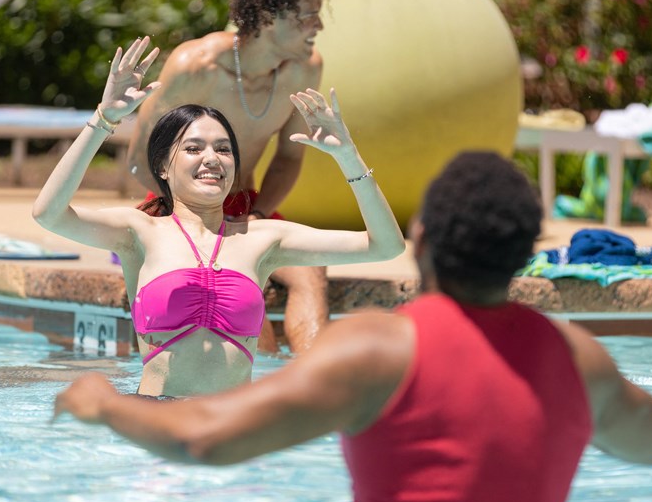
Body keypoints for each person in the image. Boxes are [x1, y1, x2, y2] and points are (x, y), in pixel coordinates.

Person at [54, 151, 652, 502]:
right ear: (524, 252)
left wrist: (106, 405)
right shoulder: (577, 358)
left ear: (422, 241)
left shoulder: (381, 349)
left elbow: (205, 441)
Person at [34, 37, 404, 397]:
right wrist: (103, 119)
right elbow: (49, 214)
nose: (212, 158)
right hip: (159, 423)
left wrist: (348, 158)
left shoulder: (262, 238)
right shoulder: (139, 232)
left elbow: (385, 245)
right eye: (194, 148)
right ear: (163, 166)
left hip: (234, 432)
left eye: (223, 149)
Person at [127, 0, 329, 354]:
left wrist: (260, 212)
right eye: (308, 17)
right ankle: (260, 385)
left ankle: (319, 385)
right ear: (270, 17)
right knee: (237, 277)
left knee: (311, 271)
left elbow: (289, 157)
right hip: (177, 208)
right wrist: (190, 213)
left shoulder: (304, 69)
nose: (318, 26)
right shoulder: (195, 66)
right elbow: (140, 160)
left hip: (247, 207)